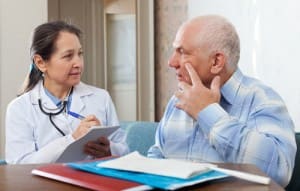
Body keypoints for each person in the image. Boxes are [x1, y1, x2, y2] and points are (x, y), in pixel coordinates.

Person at [147, 15, 296, 187]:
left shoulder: (262, 100)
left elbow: (279, 172)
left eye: (183, 52)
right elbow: (158, 155)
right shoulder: (178, 100)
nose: (171, 62)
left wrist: (208, 113)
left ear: (216, 62)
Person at [5, 21, 129, 164]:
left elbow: (124, 150)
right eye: (68, 56)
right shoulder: (20, 109)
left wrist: (108, 150)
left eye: (80, 54)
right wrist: (73, 138)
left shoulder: (101, 98)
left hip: (92, 183)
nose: (78, 63)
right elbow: (19, 165)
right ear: (41, 63)